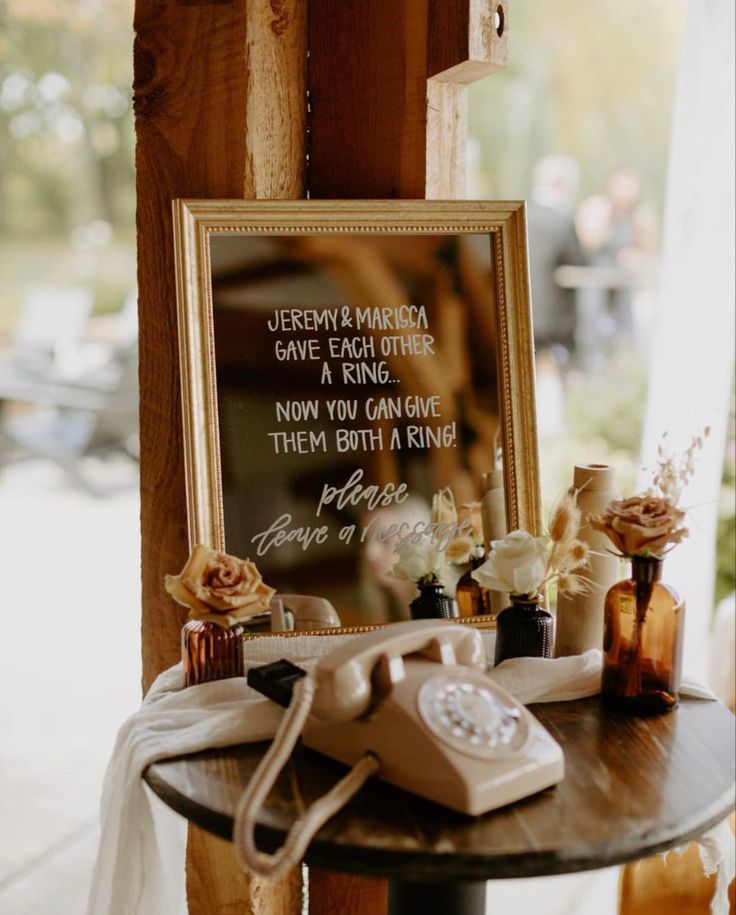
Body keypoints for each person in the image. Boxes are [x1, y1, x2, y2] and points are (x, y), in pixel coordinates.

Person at [526, 154, 586, 366]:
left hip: (512, 309)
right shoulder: (561, 220)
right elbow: (577, 264)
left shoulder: (520, 212)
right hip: (546, 321)